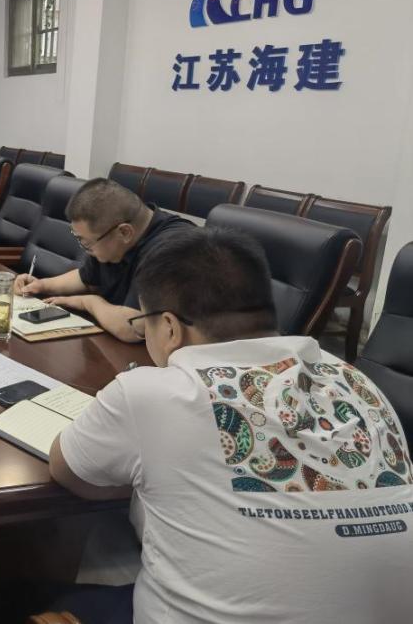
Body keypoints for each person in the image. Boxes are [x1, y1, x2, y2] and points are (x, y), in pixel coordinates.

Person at [45, 228, 413, 624]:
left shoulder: (150, 393)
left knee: (22, 593)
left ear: (169, 328)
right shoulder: (356, 382)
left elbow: (70, 472)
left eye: (143, 323)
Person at [12, 178, 194, 342]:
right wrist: (42, 285)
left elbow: (133, 327)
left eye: (87, 243)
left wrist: (89, 302)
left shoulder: (172, 249)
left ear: (125, 232)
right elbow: (85, 278)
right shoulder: (112, 235)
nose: (86, 250)